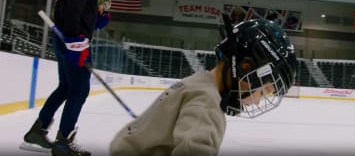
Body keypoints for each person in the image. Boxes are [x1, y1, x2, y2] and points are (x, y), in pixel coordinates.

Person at [109, 14, 297, 156]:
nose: (258, 101)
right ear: (245, 67)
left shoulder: (198, 83)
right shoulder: (207, 105)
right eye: (264, 91)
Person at [21, 0, 118, 156]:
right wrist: (76, 39)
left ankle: (38, 131)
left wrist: (95, 20)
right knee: (80, 89)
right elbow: (73, 7)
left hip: (66, 37)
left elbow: (76, 7)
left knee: (66, 86)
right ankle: (63, 142)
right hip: (74, 40)